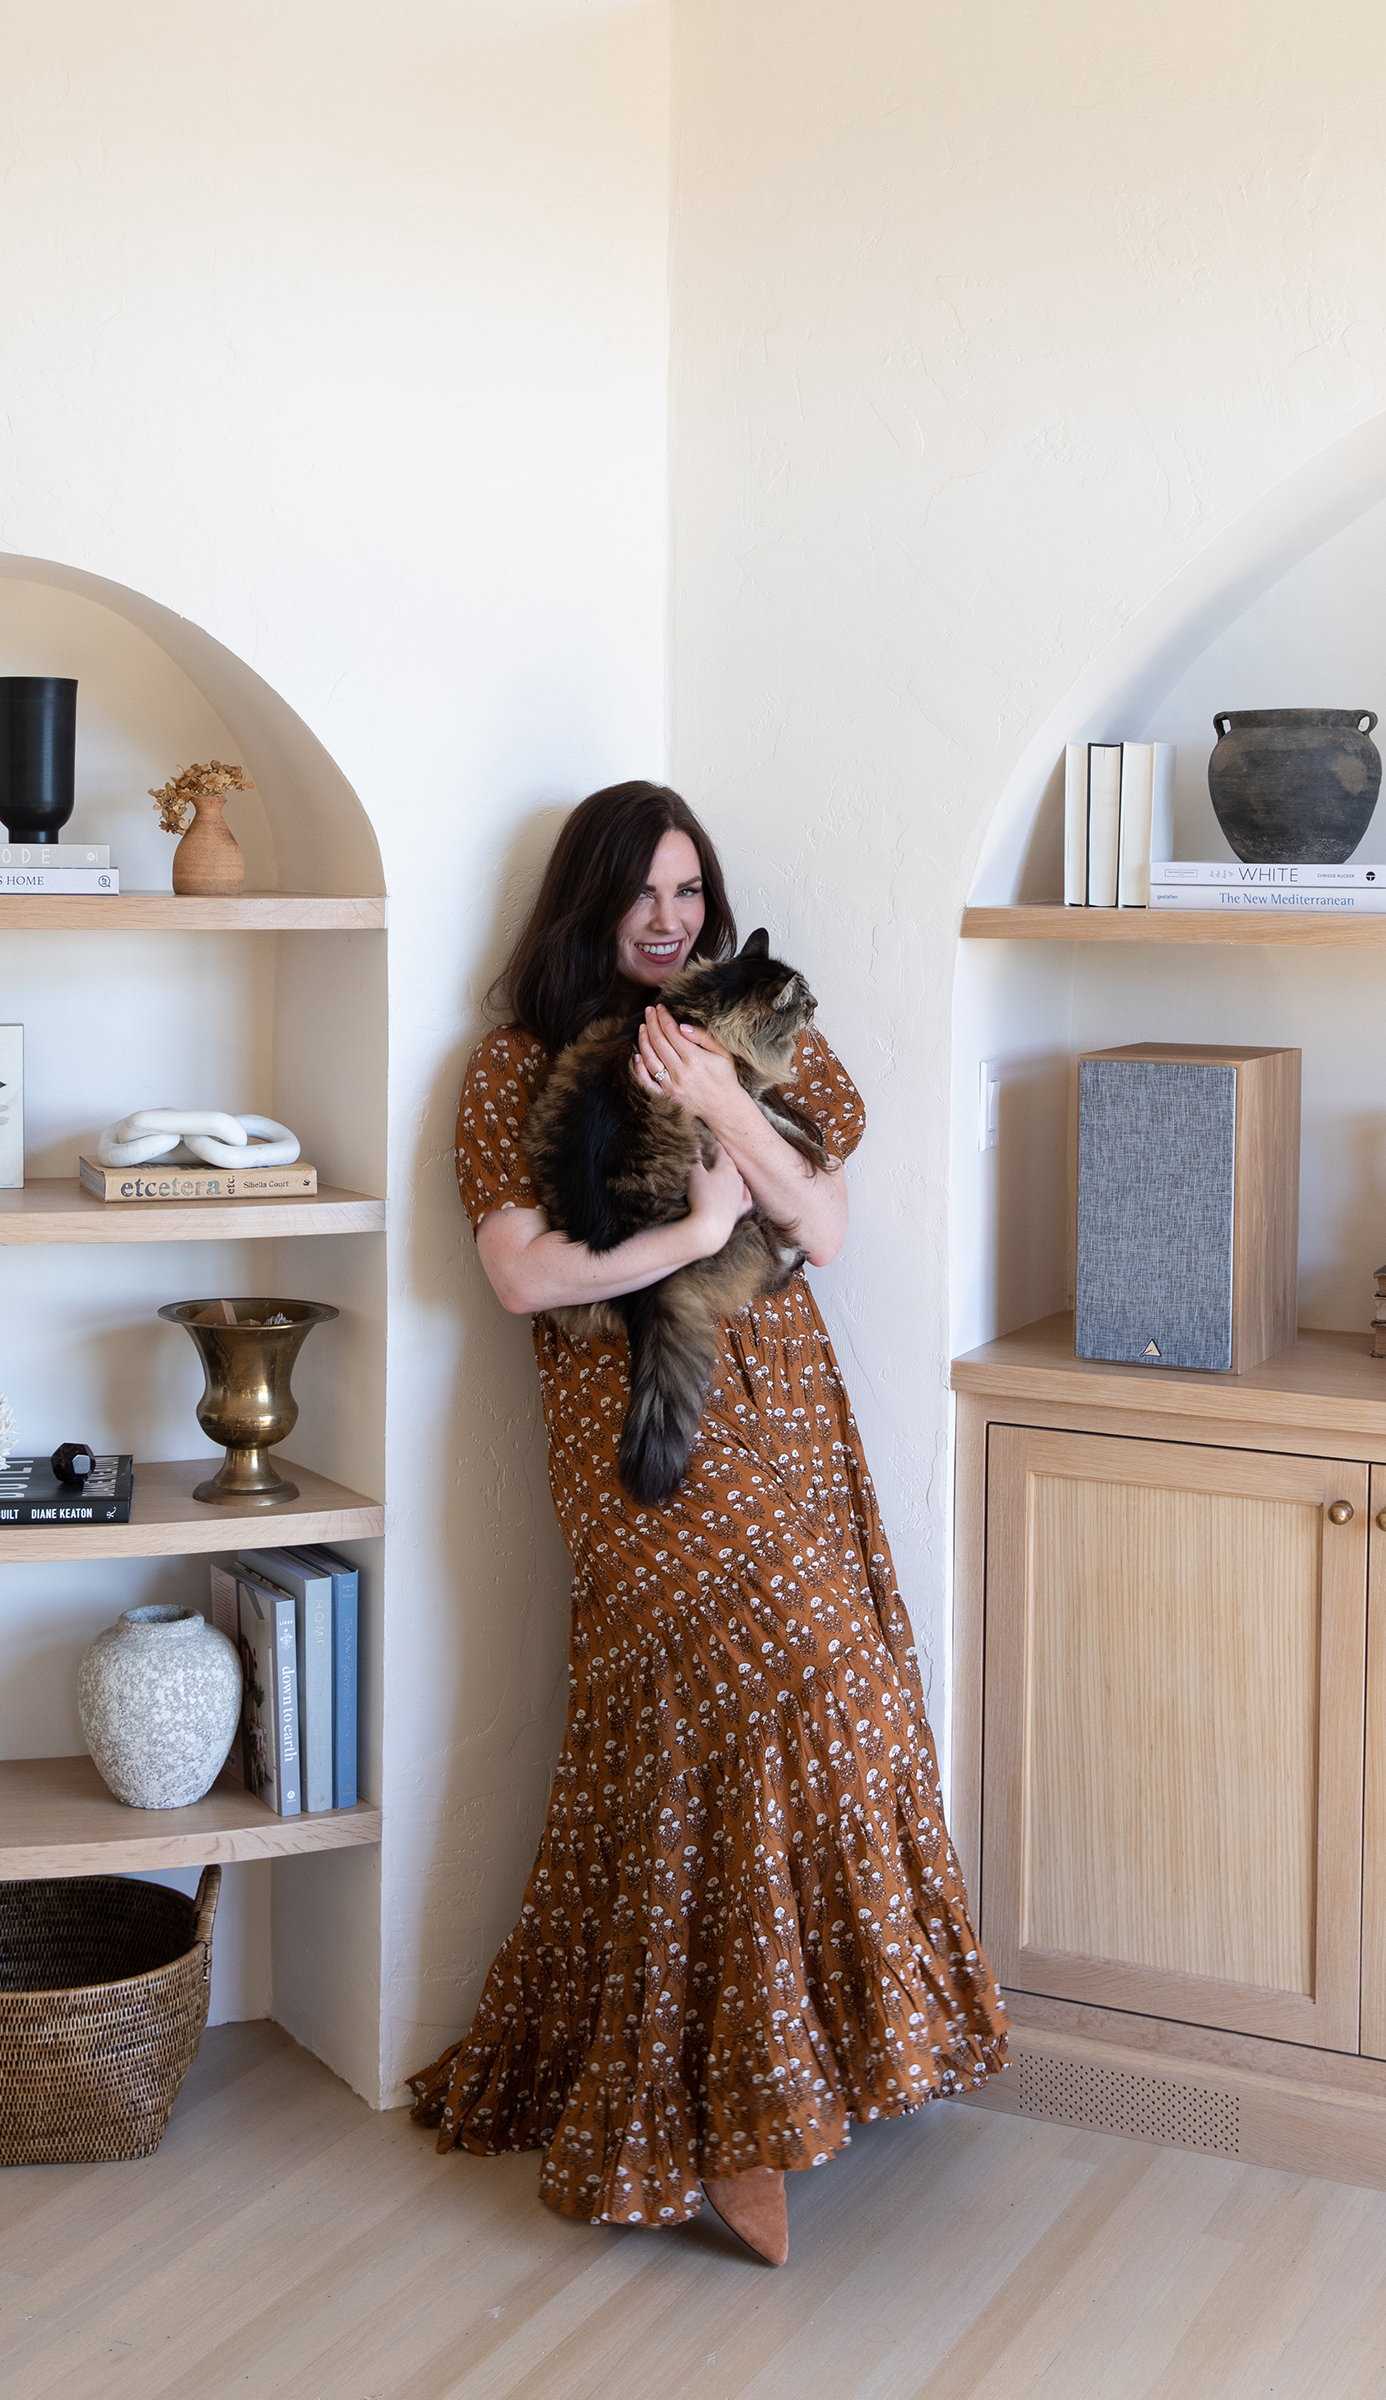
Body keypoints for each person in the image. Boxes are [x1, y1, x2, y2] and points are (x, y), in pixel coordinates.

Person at [409, 781, 1008, 2267]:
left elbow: (827, 1224)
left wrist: (729, 1103)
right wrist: (689, 1230)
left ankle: (814, 2070)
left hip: (787, 1411)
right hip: (644, 1439)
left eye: (689, 892)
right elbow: (520, 1275)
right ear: (590, 904)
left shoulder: (754, 1027)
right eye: (642, 894)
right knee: (739, 1710)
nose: (670, 921)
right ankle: (727, 2123)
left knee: (847, 1694)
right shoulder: (511, 1067)